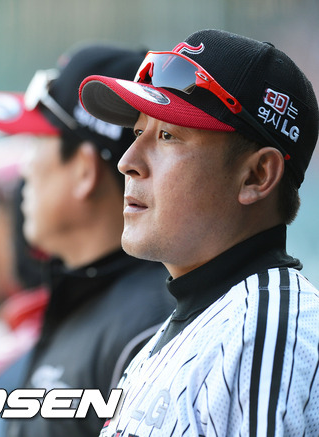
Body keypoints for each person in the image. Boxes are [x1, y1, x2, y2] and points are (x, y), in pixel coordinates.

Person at [78, 28, 319, 435]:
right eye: (138, 133)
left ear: (257, 175)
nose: (127, 161)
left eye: (167, 136)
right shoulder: (193, 325)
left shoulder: (266, 334)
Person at [0, 43, 175, 437]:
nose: (25, 169)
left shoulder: (149, 329)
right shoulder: (87, 300)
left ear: (84, 171)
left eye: (37, 142)